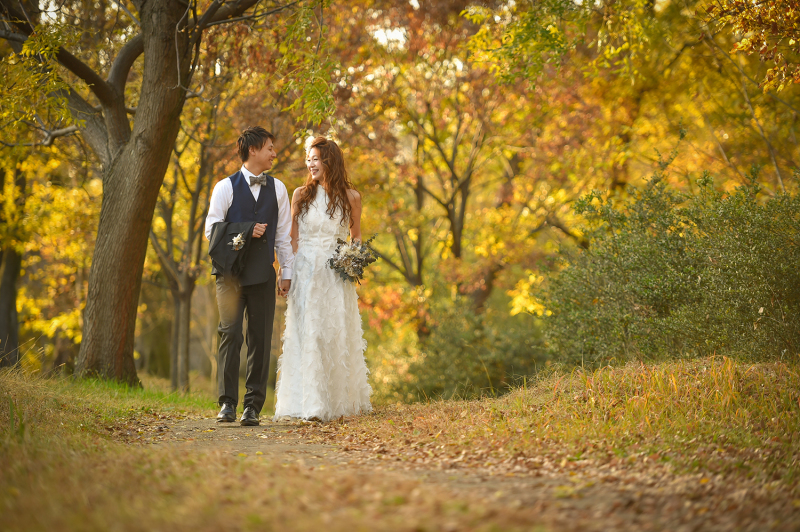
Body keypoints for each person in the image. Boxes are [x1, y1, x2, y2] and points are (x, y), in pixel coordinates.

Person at [273, 136, 372, 422]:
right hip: (306, 273)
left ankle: (337, 402)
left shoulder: (351, 198)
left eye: (315, 158)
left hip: (335, 275)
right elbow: (291, 239)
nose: (310, 163)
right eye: (309, 158)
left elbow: (356, 238)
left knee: (334, 332)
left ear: (330, 161)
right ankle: (310, 404)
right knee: (309, 332)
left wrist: (353, 261)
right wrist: (287, 273)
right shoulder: (300, 194)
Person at [204, 126, 294, 426]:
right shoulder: (224, 187)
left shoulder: (279, 189)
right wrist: (244, 230)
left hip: (263, 276)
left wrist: (286, 272)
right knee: (230, 336)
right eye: (270, 147)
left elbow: (282, 235)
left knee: (260, 339)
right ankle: (227, 403)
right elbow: (211, 230)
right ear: (252, 149)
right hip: (229, 277)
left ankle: (252, 407)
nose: (274, 153)